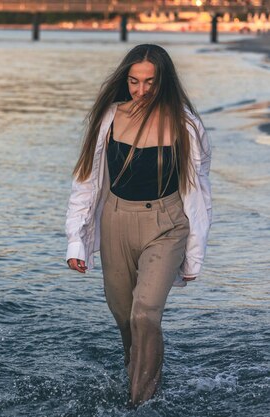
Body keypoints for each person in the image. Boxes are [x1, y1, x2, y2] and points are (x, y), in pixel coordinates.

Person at [65, 44, 212, 405]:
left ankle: (139, 403)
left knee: (145, 311)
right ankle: (139, 373)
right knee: (124, 316)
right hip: (115, 221)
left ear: (164, 81)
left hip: (166, 224)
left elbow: (199, 192)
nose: (141, 90)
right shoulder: (110, 117)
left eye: (150, 82)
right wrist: (76, 241)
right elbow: (87, 181)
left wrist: (194, 255)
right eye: (134, 81)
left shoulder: (187, 126)